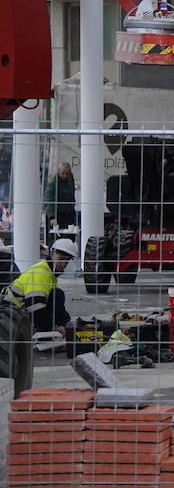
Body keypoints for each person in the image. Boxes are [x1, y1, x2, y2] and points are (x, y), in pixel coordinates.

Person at [3, 238, 78, 393]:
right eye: (61, 259)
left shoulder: (49, 273)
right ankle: (45, 336)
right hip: (12, 313)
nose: (63, 264)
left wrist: (69, 325)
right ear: (51, 253)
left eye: (67, 261)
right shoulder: (41, 273)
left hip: (18, 312)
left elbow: (57, 308)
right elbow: (36, 309)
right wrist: (54, 327)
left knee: (58, 295)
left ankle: (47, 334)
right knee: (58, 295)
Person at [44, 161, 77, 230]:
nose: (65, 176)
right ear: (58, 171)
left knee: (70, 234)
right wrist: (52, 217)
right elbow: (48, 199)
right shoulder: (53, 182)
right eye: (62, 173)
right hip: (58, 213)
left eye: (67, 174)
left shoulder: (70, 177)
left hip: (69, 212)